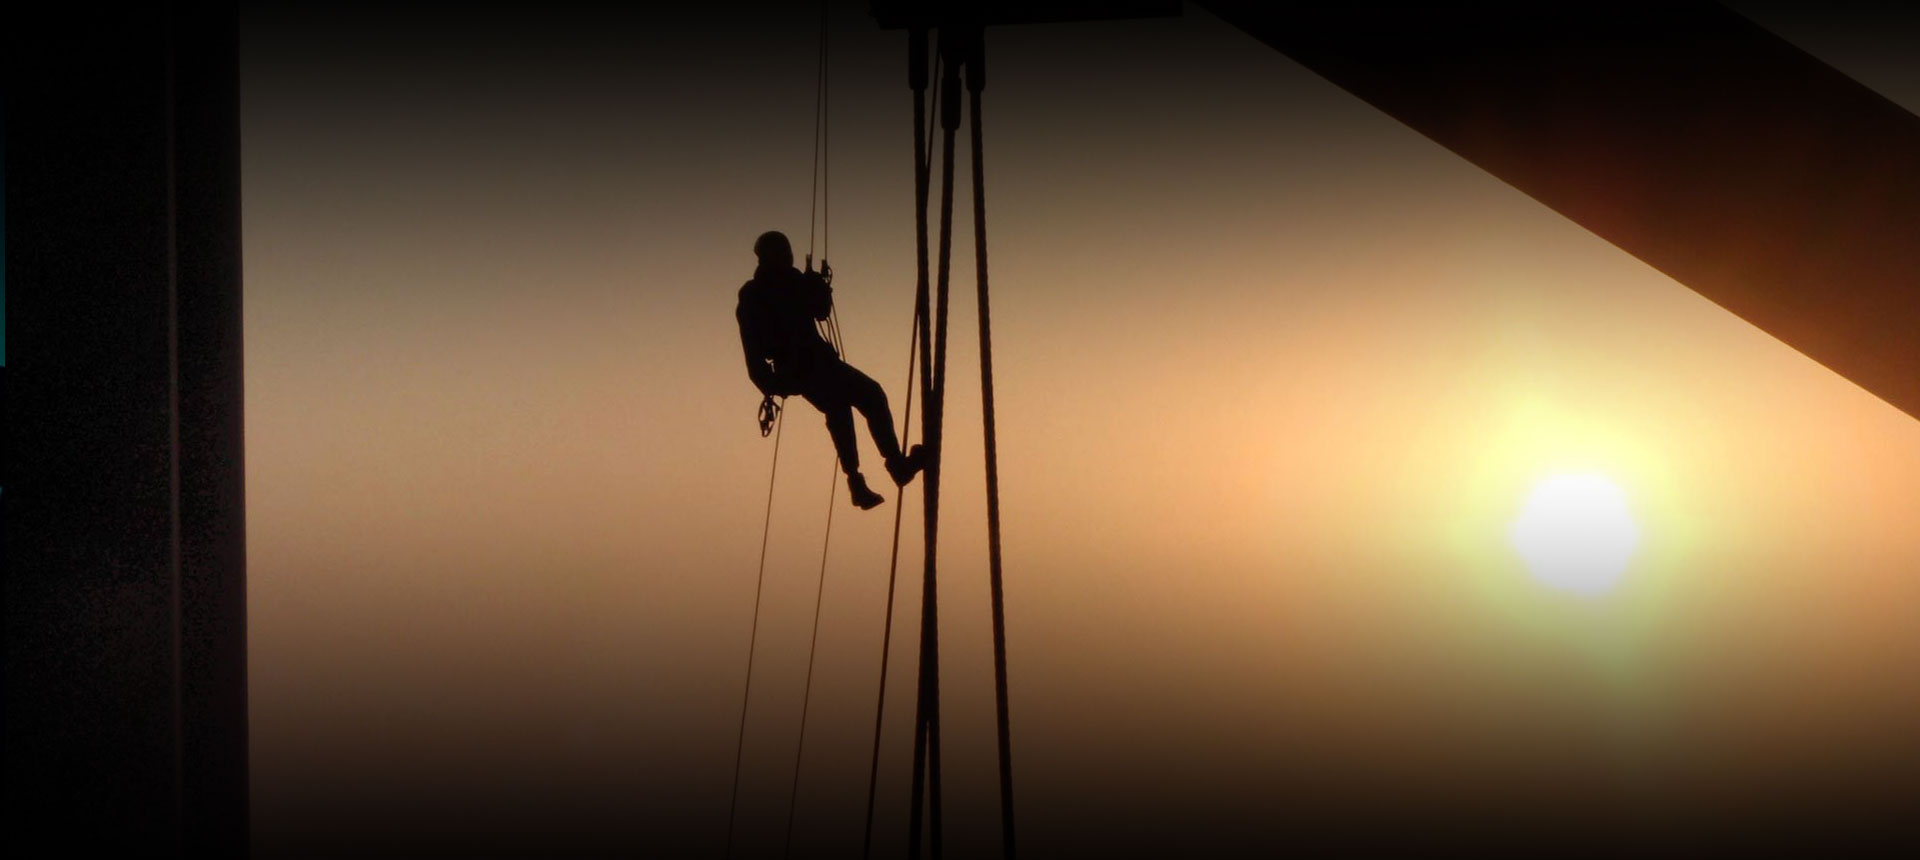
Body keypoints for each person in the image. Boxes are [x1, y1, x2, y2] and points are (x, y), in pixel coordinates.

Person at [736, 231, 924, 509]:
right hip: (806, 367)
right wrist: (774, 385)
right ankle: (893, 466)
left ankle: (859, 483)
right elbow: (754, 353)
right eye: (784, 253)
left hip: (810, 367)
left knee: (839, 411)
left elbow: (820, 311)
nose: (788, 258)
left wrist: (819, 287)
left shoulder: (789, 283)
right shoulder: (756, 295)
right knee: (870, 395)